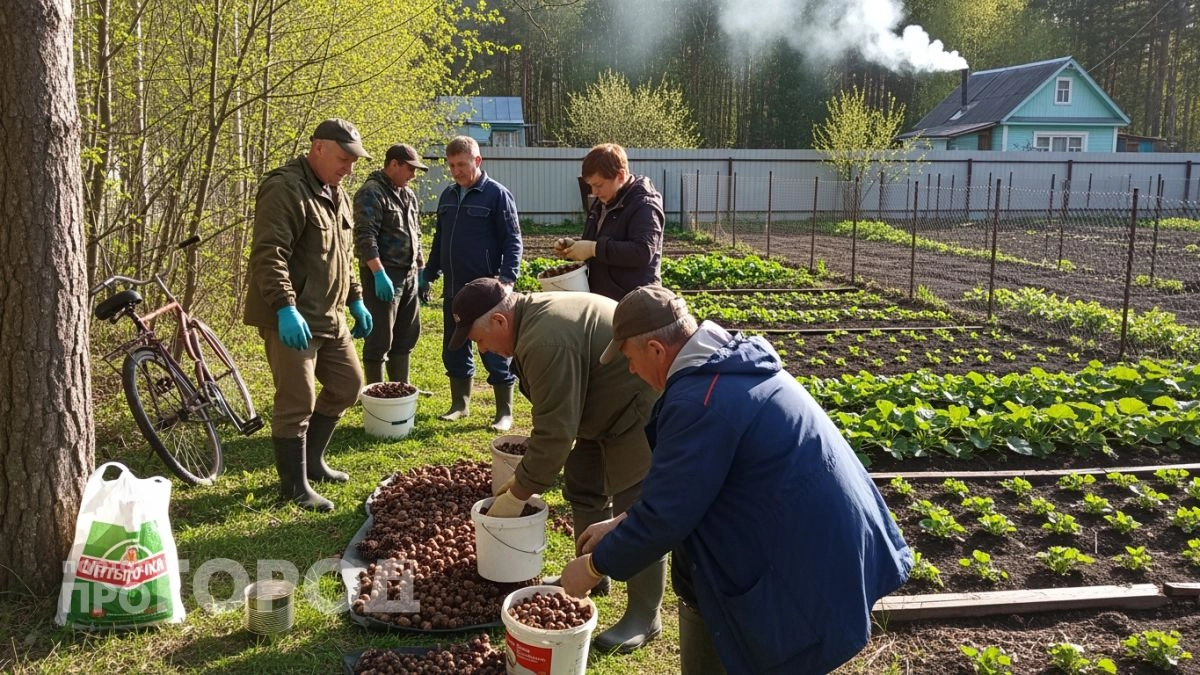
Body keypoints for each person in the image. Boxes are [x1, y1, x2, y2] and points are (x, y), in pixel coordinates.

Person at [559, 286, 913, 674]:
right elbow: (689, 488)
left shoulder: (700, 400)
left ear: (657, 351)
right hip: (830, 533)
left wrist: (594, 567)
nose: (631, 370)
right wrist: (620, 524)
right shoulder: (726, 363)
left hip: (806, 555)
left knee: (786, 652)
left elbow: (667, 516)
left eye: (629, 358)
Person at [449, 278, 665, 653]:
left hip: (635, 400)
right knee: (584, 484)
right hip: (597, 405)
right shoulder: (531, 321)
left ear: (500, 322)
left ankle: (645, 615)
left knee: (636, 506)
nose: (482, 349)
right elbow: (557, 419)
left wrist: (518, 493)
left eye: (479, 340)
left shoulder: (544, 339)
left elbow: (555, 433)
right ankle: (595, 572)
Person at [243, 118, 375, 512]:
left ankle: (313, 461)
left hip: (331, 315)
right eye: (343, 158)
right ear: (318, 147)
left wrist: (355, 298)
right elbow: (270, 255)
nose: (349, 168)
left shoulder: (339, 194)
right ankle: (294, 487)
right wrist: (285, 308)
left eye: (354, 161)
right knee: (297, 400)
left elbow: (343, 255)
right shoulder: (285, 188)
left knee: (348, 385)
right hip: (293, 317)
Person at [421, 136, 522, 431]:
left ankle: (504, 412)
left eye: (461, 164)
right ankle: (459, 404)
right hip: (454, 289)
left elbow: (513, 240)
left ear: (477, 161)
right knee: (453, 348)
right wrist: (429, 272)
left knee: (493, 350)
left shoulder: (497, 195)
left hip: (486, 295)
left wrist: (507, 279)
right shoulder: (448, 197)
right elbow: (441, 240)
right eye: (451, 165)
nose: (456, 171)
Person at [353, 143, 429, 385]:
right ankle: (376, 391)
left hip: (407, 274)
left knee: (406, 334)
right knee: (380, 337)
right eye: (410, 169)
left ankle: (400, 387)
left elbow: (415, 234)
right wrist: (378, 273)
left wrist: (421, 269)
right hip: (383, 274)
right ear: (394, 164)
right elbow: (366, 236)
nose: (413, 175)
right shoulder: (371, 192)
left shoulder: (407, 194)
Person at [554, 143, 663, 301]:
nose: (594, 192)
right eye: (590, 185)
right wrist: (574, 248)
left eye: (598, 185)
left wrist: (594, 249)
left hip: (636, 303)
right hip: (604, 300)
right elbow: (598, 245)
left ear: (620, 175)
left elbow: (642, 251)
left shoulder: (645, 204)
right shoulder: (602, 202)